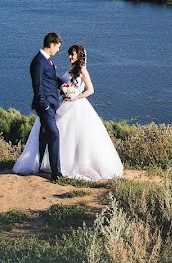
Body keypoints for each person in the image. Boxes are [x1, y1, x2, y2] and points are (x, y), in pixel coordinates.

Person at [13, 42, 124, 181]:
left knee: (73, 136)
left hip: (76, 105)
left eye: (72, 54)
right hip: (64, 103)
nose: (70, 57)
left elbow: (91, 90)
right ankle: (57, 164)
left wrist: (75, 96)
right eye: (69, 54)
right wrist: (62, 86)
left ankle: (70, 166)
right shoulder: (71, 68)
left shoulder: (83, 70)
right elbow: (64, 82)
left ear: (78, 56)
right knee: (60, 134)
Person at [15, 32, 64, 181]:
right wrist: (46, 106)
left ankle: (40, 165)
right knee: (54, 134)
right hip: (45, 106)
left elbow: (50, 79)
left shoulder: (46, 61)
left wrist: (63, 84)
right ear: (51, 45)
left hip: (51, 104)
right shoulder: (38, 62)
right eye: (58, 47)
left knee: (44, 135)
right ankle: (56, 173)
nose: (58, 50)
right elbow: (38, 87)